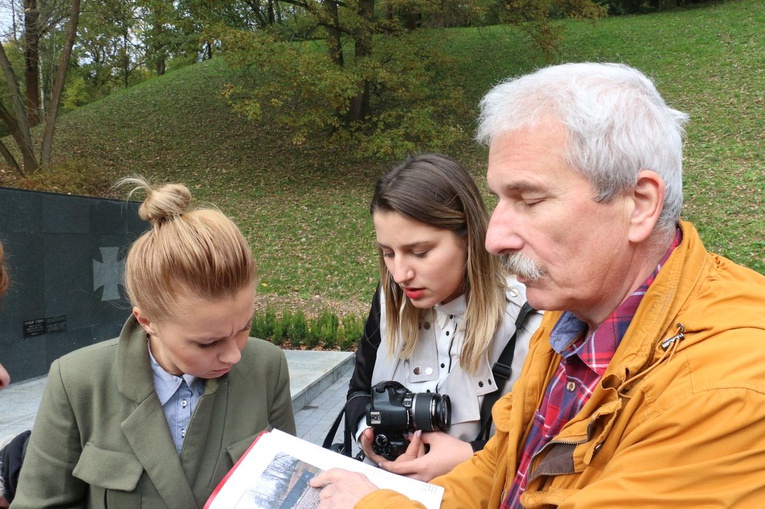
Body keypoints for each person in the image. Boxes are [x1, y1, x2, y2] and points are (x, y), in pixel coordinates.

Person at [310, 62, 765, 508]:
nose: (493, 239)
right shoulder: (571, 318)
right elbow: (504, 469)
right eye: (499, 199)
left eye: (529, 200)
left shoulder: (726, 389)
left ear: (639, 204)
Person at [12, 177, 296, 508]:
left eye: (244, 328)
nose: (234, 354)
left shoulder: (267, 367)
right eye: (207, 343)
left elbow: (287, 488)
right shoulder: (78, 381)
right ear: (147, 321)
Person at [344, 153, 542, 482]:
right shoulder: (389, 298)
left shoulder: (532, 317)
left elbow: (549, 444)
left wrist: (472, 456)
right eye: (388, 253)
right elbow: (359, 392)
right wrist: (369, 432)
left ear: (469, 237)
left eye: (420, 252)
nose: (400, 274)